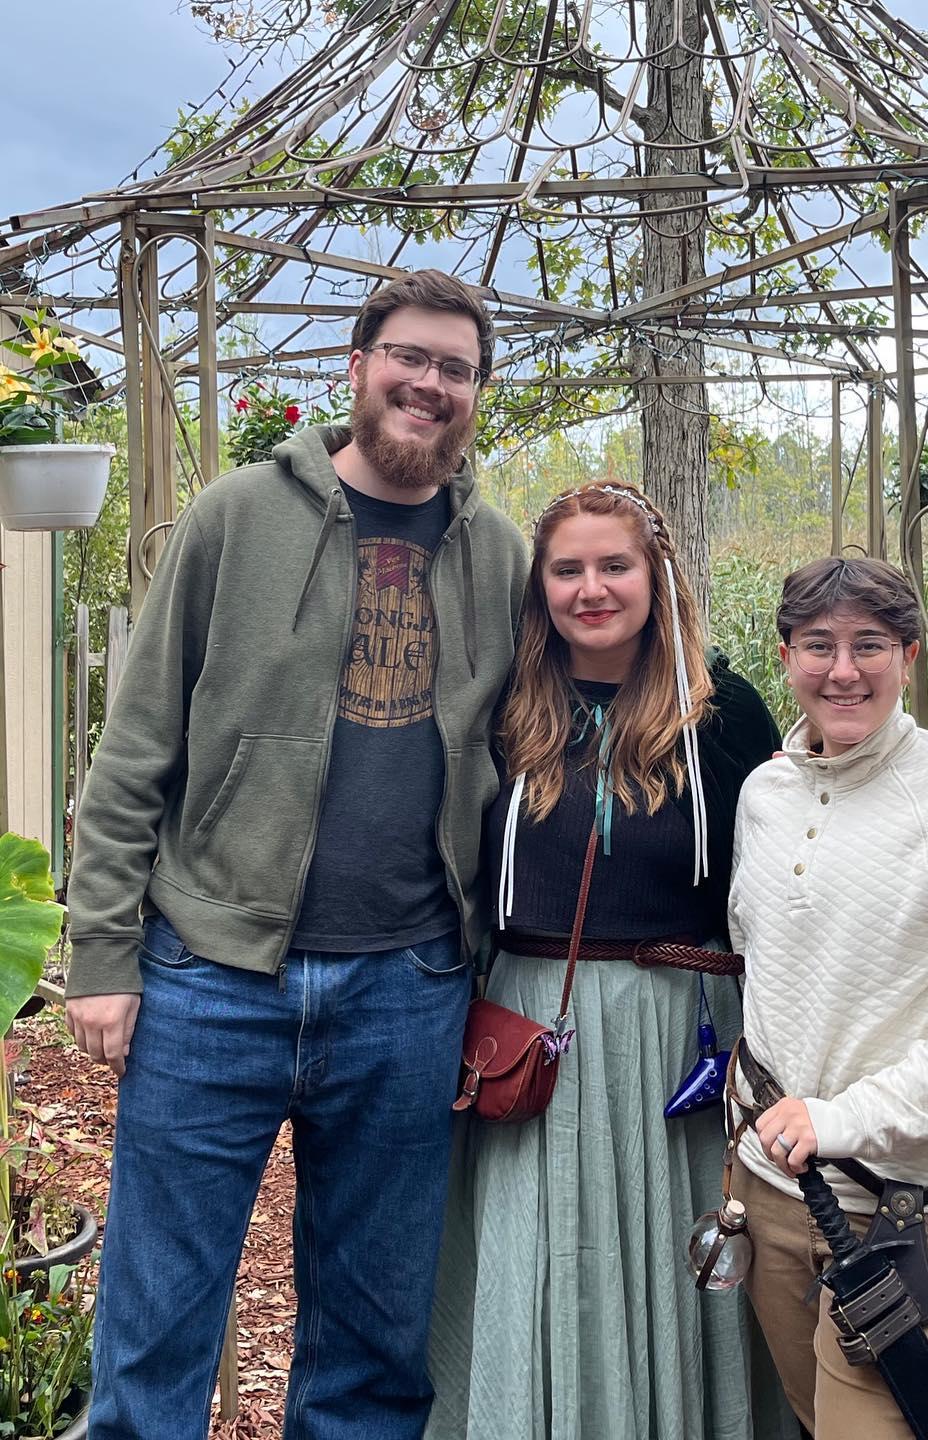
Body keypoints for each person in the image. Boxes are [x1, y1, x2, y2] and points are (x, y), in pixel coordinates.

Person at [64, 269, 528, 1440]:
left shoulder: (498, 554)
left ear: (476, 393)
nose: (430, 385)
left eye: (456, 369)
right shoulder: (236, 517)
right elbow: (134, 750)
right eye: (409, 358)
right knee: (158, 1320)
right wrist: (104, 955)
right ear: (359, 363)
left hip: (409, 987)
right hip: (210, 974)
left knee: (373, 1344)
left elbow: (545, 732)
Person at [425, 481, 793, 1440]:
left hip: (683, 1028)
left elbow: (780, 873)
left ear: (656, 573)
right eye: (568, 569)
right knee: (543, 1253)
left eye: (615, 565)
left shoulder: (723, 713)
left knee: (678, 1255)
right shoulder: (504, 705)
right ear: (539, 585)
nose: (592, 588)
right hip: (530, 1022)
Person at [723, 555, 928, 1438]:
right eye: (819, 645)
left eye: (870, 644)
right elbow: (764, 964)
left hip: (918, 1213)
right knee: (810, 1419)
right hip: (775, 1195)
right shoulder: (763, 794)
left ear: (908, 656)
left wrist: (842, 1118)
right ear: (785, 655)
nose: (843, 670)